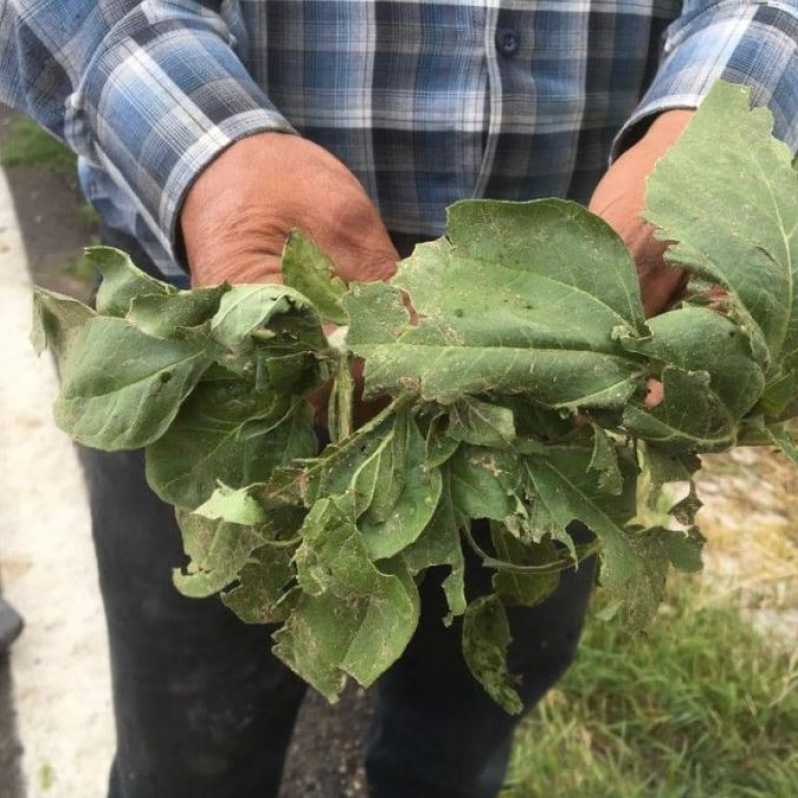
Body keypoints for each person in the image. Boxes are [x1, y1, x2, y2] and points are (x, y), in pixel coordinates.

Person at [2, 2, 797, 797]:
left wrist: (710, 142)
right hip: (244, 336)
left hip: (568, 373)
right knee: (193, 753)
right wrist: (210, 147)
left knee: (457, 747)